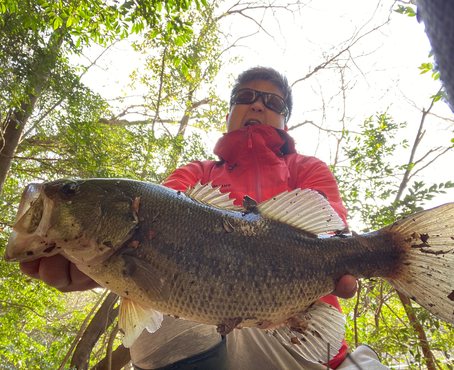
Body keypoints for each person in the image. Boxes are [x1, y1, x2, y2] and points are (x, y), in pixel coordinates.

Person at [19, 67, 387, 370]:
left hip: (301, 342)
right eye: (245, 97)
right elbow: (157, 227)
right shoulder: (195, 173)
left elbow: (331, 232)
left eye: (271, 101)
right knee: (159, 328)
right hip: (208, 337)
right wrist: (102, 268)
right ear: (229, 112)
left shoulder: (307, 169)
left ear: (284, 119)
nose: (257, 105)